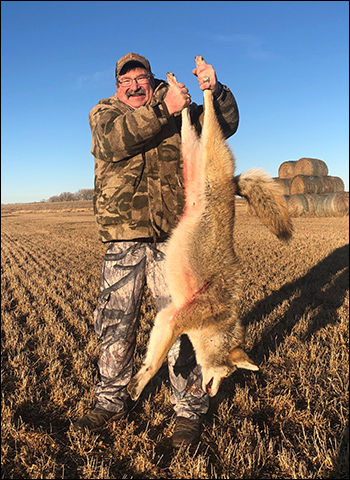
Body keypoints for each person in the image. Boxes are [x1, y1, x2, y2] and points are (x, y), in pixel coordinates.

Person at [73, 52, 239, 447]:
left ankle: (188, 412)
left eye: (140, 77)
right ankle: (111, 401)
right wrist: (165, 108)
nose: (133, 85)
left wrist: (215, 91)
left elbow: (225, 125)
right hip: (123, 238)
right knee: (116, 323)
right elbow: (114, 143)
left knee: (184, 327)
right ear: (117, 86)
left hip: (174, 240)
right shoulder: (105, 112)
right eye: (125, 80)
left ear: (149, 79)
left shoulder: (176, 100)